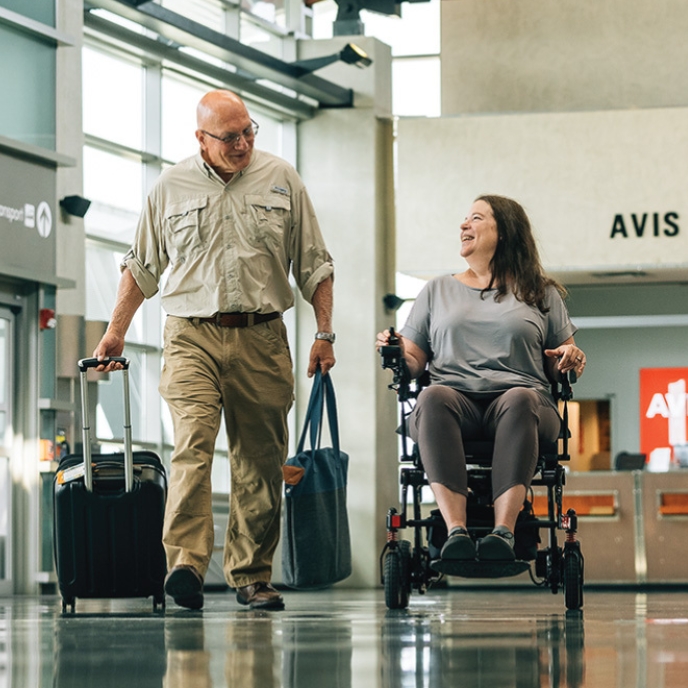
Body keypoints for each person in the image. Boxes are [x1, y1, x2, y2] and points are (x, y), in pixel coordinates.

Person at [94, 89, 336, 610]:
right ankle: (185, 564)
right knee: (193, 444)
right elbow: (140, 268)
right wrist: (116, 331)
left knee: (260, 462)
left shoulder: (282, 179)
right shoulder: (169, 187)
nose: (243, 143)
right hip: (190, 336)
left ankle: (251, 575)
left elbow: (314, 263)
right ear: (201, 139)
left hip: (263, 336)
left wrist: (324, 332)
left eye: (249, 131)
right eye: (230, 137)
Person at [376, 195, 586, 561]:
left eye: (476, 218)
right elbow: (413, 362)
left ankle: (503, 533)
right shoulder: (436, 290)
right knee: (431, 396)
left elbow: (560, 359)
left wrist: (569, 357)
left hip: (525, 404)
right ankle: (456, 531)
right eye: (464, 219)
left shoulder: (541, 292)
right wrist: (394, 348)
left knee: (519, 398)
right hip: (455, 404)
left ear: (503, 232)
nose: (463, 225)